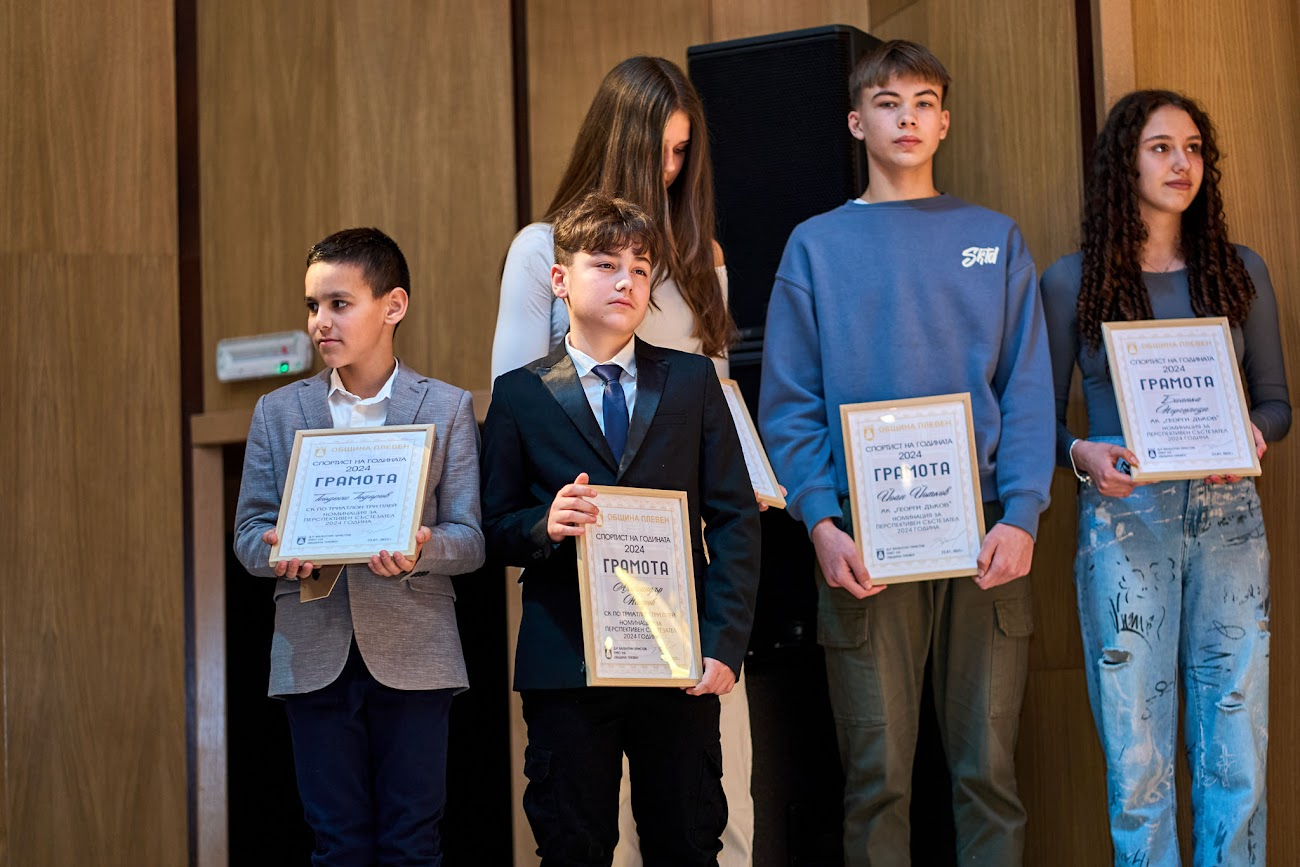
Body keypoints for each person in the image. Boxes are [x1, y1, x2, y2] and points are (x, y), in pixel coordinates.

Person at [757, 40, 1054, 865]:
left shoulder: (993, 238)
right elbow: (788, 405)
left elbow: (1028, 391)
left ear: (945, 122)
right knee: (876, 778)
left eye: (924, 102)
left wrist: (1023, 514)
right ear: (858, 122)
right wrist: (821, 521)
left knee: (988, 774)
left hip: (987, 533)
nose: (908, 118)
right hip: (864, 535)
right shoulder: (814, 247)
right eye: (888, 103)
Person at [490, 55, 758, 866]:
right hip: (574, 615)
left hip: (681, 597)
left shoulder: (699, 256)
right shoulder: (541, 252)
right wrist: (546, 520)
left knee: (707, 821)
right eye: (658, 149)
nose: (670, 169)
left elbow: (719, 408)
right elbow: (512, 430)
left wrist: (749, 487)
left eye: (682, 153)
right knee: (579, 831)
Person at [1040, 90, 1290, 866]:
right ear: (1125, 163)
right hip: (1124, 519)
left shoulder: (1239, 270)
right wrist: (1083, 455)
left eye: (1193, 148)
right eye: (1160, 148)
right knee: (1136, 751)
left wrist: (1254, 432)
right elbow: (1038, 425)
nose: (1182, 163)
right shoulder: (1070, 280)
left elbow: (1277, 403)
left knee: (1236, 739)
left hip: (1229, 514)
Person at [233, 228, 485, 865]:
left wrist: (422, 548)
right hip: (312, 650)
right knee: (336, 842)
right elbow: (248, 534)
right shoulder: (276, 411)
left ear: (393, 306)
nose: (321, 321)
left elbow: (471, 539)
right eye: (312, 306)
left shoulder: (447, 407)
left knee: (413, 841)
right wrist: (278, 551)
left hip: (416, 651)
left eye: (339, 304)